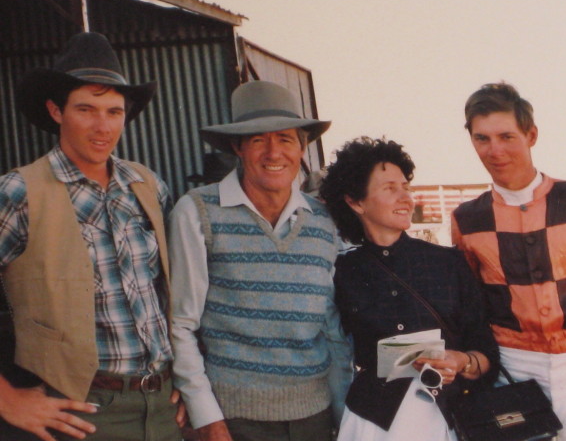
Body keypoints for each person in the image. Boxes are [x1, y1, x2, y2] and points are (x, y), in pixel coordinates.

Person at [0, 32, 184, 441]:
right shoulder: (19, 192)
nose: (103, 127)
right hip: (80, 415)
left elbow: (172, 296)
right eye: (86, 109)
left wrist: (185, 384)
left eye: (114, 112)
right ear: (55, 111)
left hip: (163, 409)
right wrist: (8, 399)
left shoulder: (148, 186)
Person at [451, 82, 566, 441]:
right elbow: (472, 313)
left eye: (507, 136)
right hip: (514, 370)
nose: (495, 150)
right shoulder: (466, 218)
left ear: (531, 135)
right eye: (482, 139)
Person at [169, 80, 353, 441]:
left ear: (302, 147)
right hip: (232, 420)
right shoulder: (197, 212)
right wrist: (206, 416)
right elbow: (180, 324)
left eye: (285, 139)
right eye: (258, 140)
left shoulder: (324, 221)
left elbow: (332, 330)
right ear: (238, 147)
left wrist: (342, 414)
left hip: (314, 420)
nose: (273, 153)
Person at [319, 137, 498, 440]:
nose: (406, 198)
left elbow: (487, 352)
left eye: (406, 187)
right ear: (355, 201)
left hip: (447, 418)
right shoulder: (340, 271)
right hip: (372, 425)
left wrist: (463, 361)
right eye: (390, 188)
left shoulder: (449, 263)